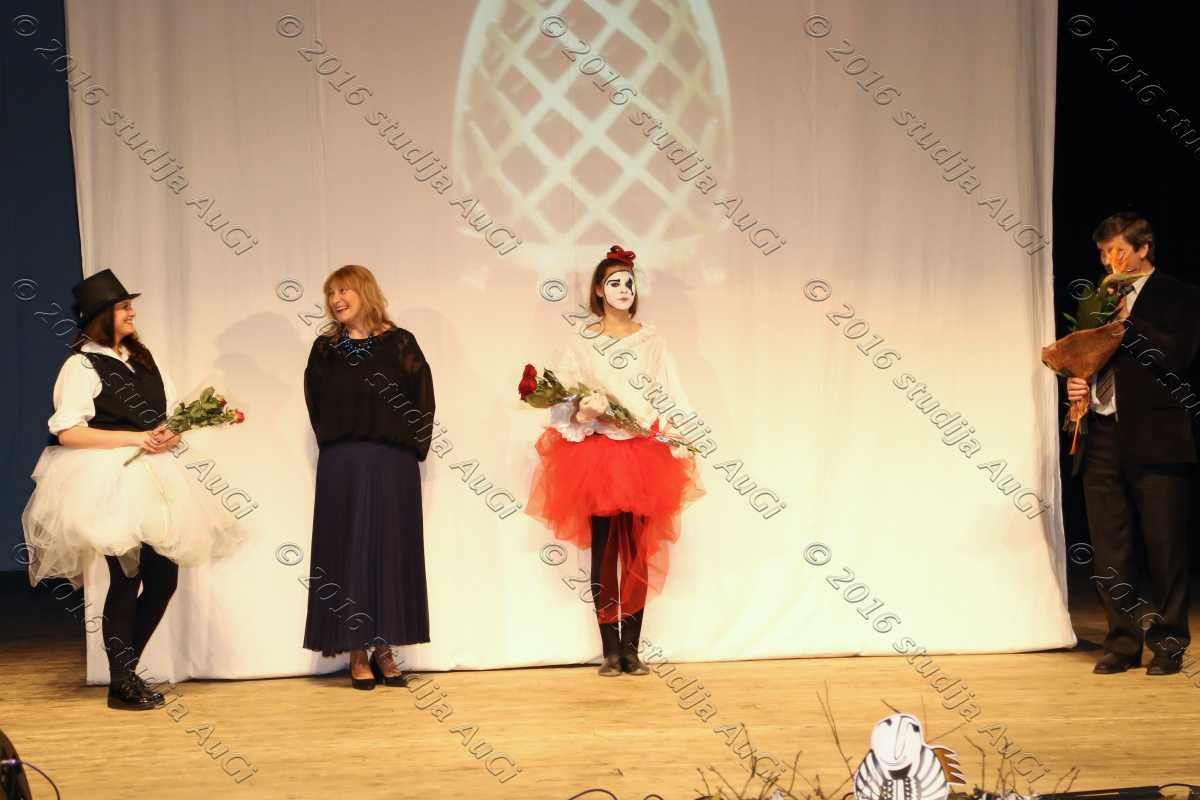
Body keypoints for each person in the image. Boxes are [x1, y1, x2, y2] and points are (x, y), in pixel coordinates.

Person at [21, 269, 246, 710]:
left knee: (163, 581)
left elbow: (168, 415)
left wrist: (170, 433)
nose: (132, 313)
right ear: (101, 315)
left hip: (156, 478)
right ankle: (122, 685)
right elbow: (68, 431)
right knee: (126, 580)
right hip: (108, 479)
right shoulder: (81, 366)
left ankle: (125, 673)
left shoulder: (144, 359)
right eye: (124, 307)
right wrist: (135, 438)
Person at [526, 245, 704, 676]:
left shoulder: (652, 341)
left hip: (644, 454)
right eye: (615, 282)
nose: (624, 289)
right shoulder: (582, 342)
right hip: (600, 457)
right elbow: (564, 399)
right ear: (598, 290)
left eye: (629, 283)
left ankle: (632, 648)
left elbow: (670, 391)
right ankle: (610, 648)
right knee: (605, 552)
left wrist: (679, 433)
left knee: (638, 552)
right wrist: (584, 411)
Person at [1066, 212, 1200, 675]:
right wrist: (1077, 381)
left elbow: (1176, 356)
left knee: (1164, 545)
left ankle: (1168, 642)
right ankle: (1122, 643)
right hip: (1102, 433)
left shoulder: (1179, 295)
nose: (1110, 261)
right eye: (1104, 253)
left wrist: (1128, 322)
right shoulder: (1096, 299)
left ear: (1143, 249)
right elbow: (1084, 355)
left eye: (1119, 250)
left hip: (1156, 437)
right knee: (1110, 547)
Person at [302, 265, 435, 690]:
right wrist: (339, 446)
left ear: (365, 292)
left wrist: (409, 450)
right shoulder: (326, 350)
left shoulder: (400, 343)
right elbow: (316, 404)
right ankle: (356, 651)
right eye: (331, 293)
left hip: (392, 464)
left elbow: (422, 400)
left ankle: (384, 648)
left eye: (344, 290)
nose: (336, 299)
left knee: (389, 552)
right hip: (343, 465)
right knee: (348, 554)